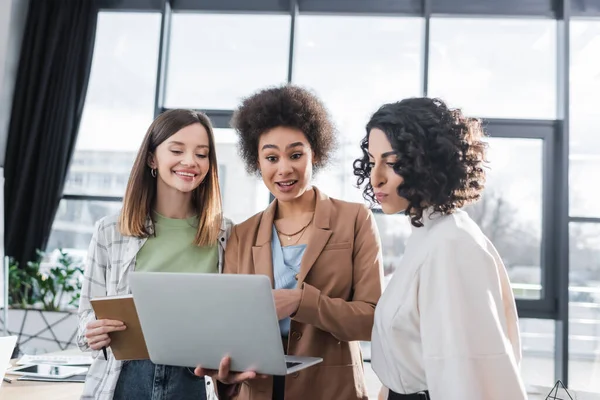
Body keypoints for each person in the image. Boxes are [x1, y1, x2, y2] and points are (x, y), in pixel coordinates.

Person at [195, 84, 384, 400]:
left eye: (296, 154)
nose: (284, 169)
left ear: (316, 153)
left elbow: (371, 320)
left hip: (331, 391)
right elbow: (231, 328)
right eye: (271, 157)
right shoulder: (241, 235)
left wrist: (301, 302)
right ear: (258, 161)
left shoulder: (354, 219)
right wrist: (224, 374)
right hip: (258, 391)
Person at [354, 97, 527, 400]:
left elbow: (465, 377)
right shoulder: (428, 235)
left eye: (392, 163)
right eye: (372, 161)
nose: (375, 176)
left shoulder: (451, 244)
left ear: (428, 162)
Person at [76, 109, 232, 400]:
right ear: (151, 158)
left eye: (202, 154)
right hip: (125, 379)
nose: (190, 162)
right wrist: (92, 330)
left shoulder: (226, 233)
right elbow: (85, 317)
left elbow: (234, 319)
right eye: (176, 150)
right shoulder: (111, 230)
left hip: (194, 381)